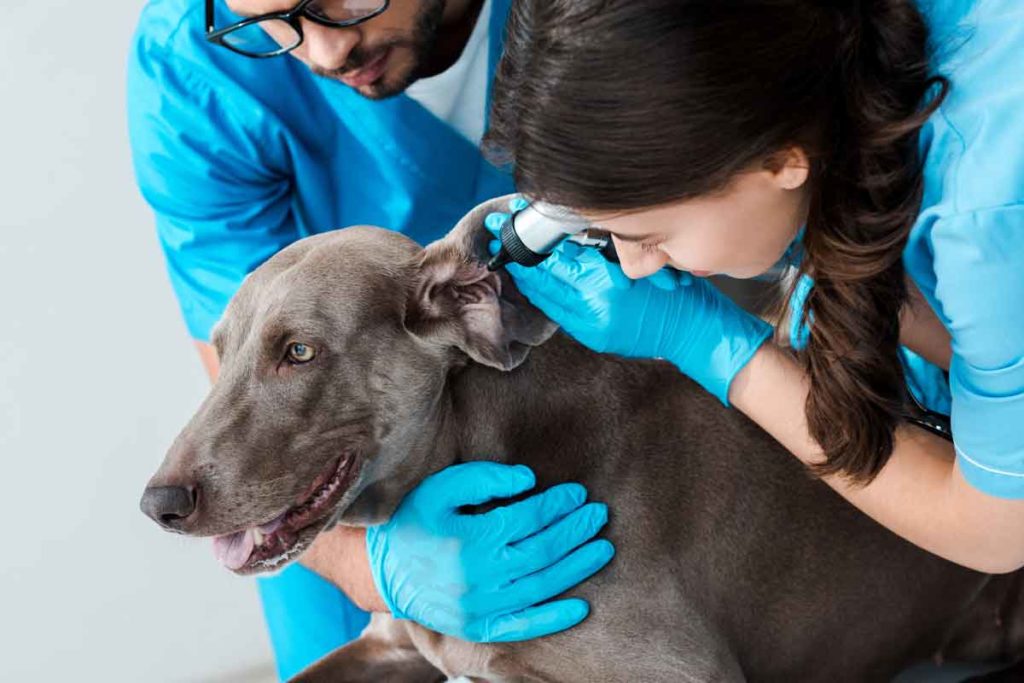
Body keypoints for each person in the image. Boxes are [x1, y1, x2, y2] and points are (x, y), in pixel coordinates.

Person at [126, 0, 611, 678]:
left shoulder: (619, 17)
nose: (323, 53)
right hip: (323, 495)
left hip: (596, 452)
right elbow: (240, 370)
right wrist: (374, 572)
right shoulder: (200, 69)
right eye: (275, 21)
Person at [482, 0, 1024, 574]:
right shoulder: (827, 54)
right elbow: (990, 358)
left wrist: (708, 343)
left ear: (781, 162)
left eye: (651, 234)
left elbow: (998, 530)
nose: (636, 265)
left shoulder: (986, 219)